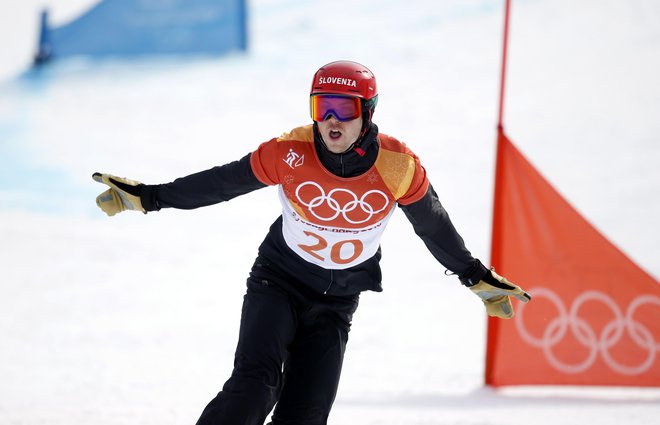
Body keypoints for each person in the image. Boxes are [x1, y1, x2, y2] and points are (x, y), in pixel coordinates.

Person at [93, 60, 531, 425]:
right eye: (323, 108)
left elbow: (433, 225)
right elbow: (224, 182)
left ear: (368, 112)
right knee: (253, 390)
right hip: (278, 283)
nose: (332, 121)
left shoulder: (398, 167)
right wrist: (150, 197)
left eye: (344, 108)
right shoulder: (289, 152)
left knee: (305, 416)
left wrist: (474, 277)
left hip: (336, 305)